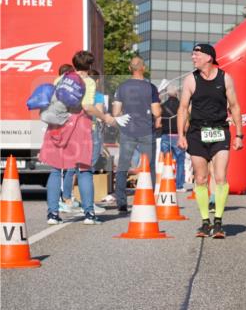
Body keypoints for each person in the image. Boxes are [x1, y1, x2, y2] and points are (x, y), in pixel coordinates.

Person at [39, 51, 117, 225]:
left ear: (74, 63)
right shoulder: (88, 82)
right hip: (79, 128)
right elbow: (87, 106)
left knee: (56, 170)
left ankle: (52, 214)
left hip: (58, 126)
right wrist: (105, 117)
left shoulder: (61, 79)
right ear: (89, 65)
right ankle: (89, 214)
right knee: (84, 170)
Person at [177, 43, 242, 239]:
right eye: (193, 54)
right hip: (197, 132)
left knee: (220, 177)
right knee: (201, 178)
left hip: (219, 130)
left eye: (196, 55)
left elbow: (235, 106)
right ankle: (205, 222)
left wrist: (239, 135)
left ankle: (218, 222)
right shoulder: (191, 79)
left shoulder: (225, 78)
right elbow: (183, 108)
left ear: (209, 58)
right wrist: (181, 135)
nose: (193, 58)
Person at [113, 56, 161, 213]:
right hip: (146, 130)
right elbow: (156, 112)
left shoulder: (122, 87)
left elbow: (116, 112)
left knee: (123, 165)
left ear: (129, 68)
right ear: (143, 68)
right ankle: (148, 199)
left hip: (128, 130)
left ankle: (121, 202)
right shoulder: (151, 88)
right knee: (149, 166)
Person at [158, 83, 186, 192]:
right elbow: (186, 123)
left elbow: (158, 124)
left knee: (164, 161)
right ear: (177, 93)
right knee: (180, 161)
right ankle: (179, 186)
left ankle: (163, 183)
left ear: (168, 94)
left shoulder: (162, 106)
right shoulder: (181, 106)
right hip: (178, 136)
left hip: (165, 136)